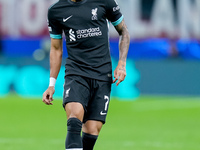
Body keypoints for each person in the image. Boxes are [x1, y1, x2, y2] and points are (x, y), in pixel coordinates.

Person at [42, 0, 130, 149]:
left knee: (92, 129)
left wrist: (121, 64)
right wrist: (51, 84)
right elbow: (56, 48)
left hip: (102, 74)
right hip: (76, 72)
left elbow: (124, 32)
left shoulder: (104, 2)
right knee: (74, 116)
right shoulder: (56, 11)